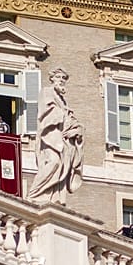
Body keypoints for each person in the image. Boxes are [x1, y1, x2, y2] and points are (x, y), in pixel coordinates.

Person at [25, 69, 82, 205]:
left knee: (63, 166)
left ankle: (54, 197)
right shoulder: (47, 92)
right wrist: (65, 117)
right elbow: (48, 111)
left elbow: (71, 119)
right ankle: (35, 194)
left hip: (62, 137)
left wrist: (77, 130)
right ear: (52, 79)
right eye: (58, 77)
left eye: (63, 78)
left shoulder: (62, 100)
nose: (61, 80)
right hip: (50, 134)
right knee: (54, 162)